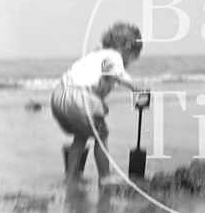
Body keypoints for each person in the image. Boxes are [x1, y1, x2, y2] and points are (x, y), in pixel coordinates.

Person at [51, 22, 145, 186]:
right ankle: (105, 177)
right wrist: (134, 86)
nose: (129, 63)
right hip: (81, 99)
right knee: (102, 136)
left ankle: (71, 176)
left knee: (80, 137)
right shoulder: (113, 56)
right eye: (132, 58)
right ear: (128, 47)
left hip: (59, 97)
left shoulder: (96, 55)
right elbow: (116, 72)